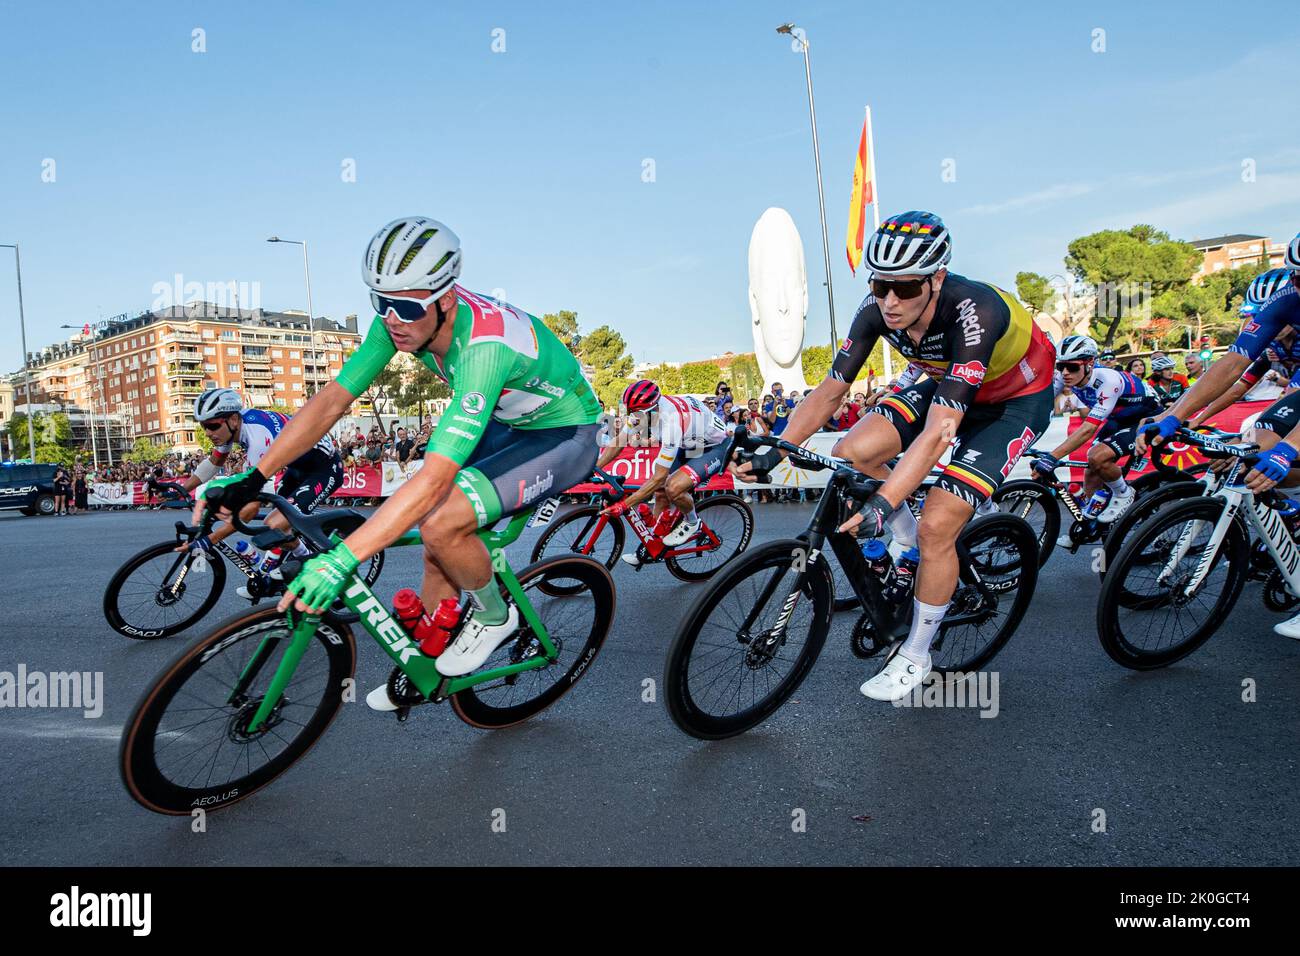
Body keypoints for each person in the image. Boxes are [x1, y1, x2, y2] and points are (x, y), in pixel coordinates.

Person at [200, 216, 602, 707]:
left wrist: (344, 560)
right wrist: (252, 477)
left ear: (446, 299)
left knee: (442, 520)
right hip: (506, 419)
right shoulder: (401, 320)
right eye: (380, 302)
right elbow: (331, 402)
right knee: (437, 548)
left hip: (565, 430)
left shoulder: (484, 346)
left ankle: (497, 616)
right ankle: (427, 662)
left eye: (406, 307)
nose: (392, 319)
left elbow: (434, 479)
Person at [734, 210, 1054, 701]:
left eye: (904, 289)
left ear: (937, 279)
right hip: (949, 386)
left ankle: (917, 652)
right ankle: (905, 545)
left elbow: (940, 431)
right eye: (880, 285)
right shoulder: (875, 310)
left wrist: (883, 504)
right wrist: (778, 451)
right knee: (853, 451)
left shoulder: (976, 311)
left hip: (1012, 403)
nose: (889, 301)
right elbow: (829, 392)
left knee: (938, 523)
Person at [1138, 244, 1300, 637]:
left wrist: (1291, 449)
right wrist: (1175, 415)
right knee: (1261, 443)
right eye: (1297, 276)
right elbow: (1232, 365)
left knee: (1286, 451)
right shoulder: (1286, 299)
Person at [181, 387, 345, 599]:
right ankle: (278, 570)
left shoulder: (258, 436)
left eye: (212, 426)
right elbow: (215, 462)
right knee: (280, 527)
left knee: (274, 523)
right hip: (297, 468)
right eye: (204, 427)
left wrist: (210, 539)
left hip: (324, 469)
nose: (208, 433)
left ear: (232, 419)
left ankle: (312, 566)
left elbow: (249, 509)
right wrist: (180, 490)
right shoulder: (234, 427)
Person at [1033, 335, 1161, 539]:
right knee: (1091, 471)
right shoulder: (1063, 375)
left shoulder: (1108, 380)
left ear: (1090, 364)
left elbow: (1088, 429)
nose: (1065, 373)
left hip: (1146, 415)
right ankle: (1091, 525)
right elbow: (1039, 407)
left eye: (1072, 367)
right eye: (1060, 366)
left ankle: (1123, 493)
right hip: (1118, 417)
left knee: (1098, 456)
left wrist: (1052, 457)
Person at [595, 379, 731, 564]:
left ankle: (692, 522)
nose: (633, 417)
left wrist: (625, 505)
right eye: (630, 412)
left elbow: (659, 478)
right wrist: (595, 468)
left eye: (636, 413)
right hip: (690, 442)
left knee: (672, 487)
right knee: (660, 494)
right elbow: (619, 441)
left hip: (714, 447)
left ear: (652, 409)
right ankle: (653, 546)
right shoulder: (644, 410)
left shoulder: (671, 422)